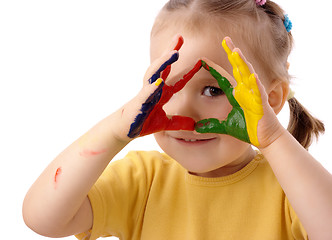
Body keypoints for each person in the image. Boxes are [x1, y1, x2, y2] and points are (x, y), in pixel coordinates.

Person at [23, 0, 332, 239]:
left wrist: (274, 138)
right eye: (167, 88)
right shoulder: (142, 181)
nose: (182, 111)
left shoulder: (290, 186)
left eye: (213, 89)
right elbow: (42, 219)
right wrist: (116, 129)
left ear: (272, 99)